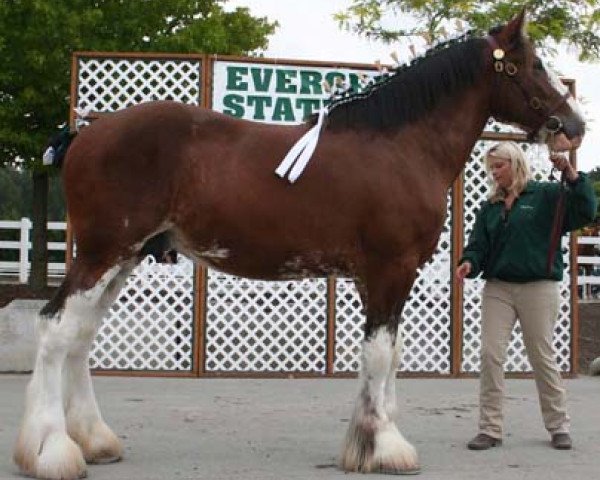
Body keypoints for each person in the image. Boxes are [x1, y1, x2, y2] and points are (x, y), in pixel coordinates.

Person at [456, 141, 597, 451]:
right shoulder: (490, 206)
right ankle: (489, 429)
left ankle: (559, 426)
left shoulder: (547, 195)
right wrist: (469, 262)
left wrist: (572, 175)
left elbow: (586, 210)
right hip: (498, 288)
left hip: (538, 287)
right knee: (490, 355)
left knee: (541, 357)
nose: (494, 173)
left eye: (499, 166)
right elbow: (478, 245)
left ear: (515, 163)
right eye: (491, 167)